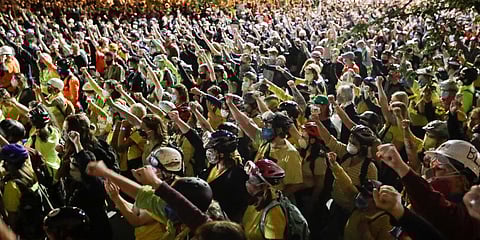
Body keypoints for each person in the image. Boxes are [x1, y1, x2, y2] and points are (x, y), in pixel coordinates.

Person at [376, 141, 480, 240]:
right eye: (431, 166)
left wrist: (401, 167)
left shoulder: (467, 218)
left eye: (439, 169)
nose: (431, 174)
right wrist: (397, 210)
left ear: (462, 181)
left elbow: (436, 207)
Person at [200, 129, 249, 222]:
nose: (208, 153)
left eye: (212, 149)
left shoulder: (237, 175)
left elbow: (237, 208)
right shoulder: (213, 167)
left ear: (222, 153)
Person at [242, 159, 287, 240]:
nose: (248, 183)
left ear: (264, 186)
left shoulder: (273, 214)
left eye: (252, 180)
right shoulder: (255, 201)